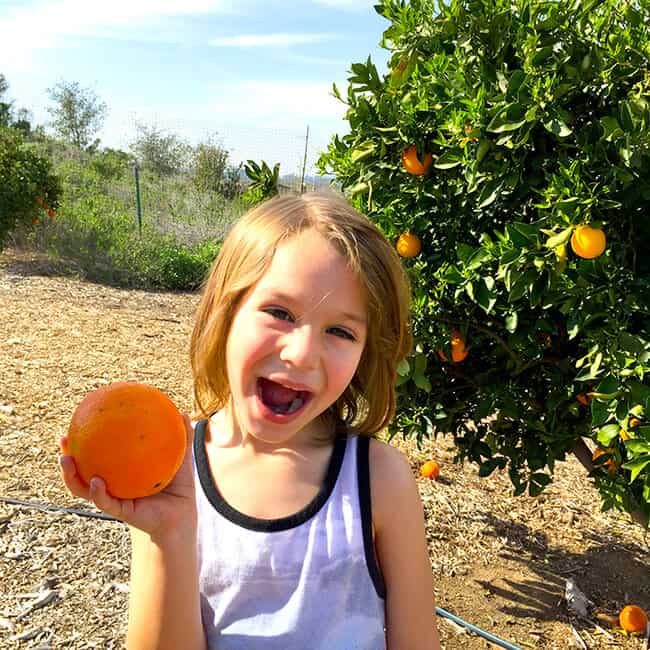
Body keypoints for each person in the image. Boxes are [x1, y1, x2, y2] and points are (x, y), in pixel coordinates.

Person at [60, 191, 442, 650]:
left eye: (340, 331)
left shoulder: (378, 479)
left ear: (365, 353)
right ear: (226, 311)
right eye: (280, 312)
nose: (301, 353)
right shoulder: (171, 471)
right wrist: (170, 533)